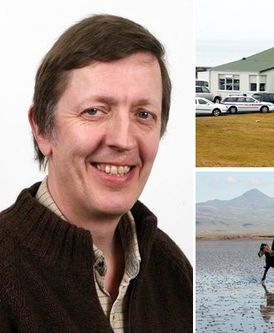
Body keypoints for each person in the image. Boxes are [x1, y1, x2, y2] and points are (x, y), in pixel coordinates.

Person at [0, 15, 191, 331]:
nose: (123, 140)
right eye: (94, 111)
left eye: (144, 115)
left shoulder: (173, 269)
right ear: (42, 128)